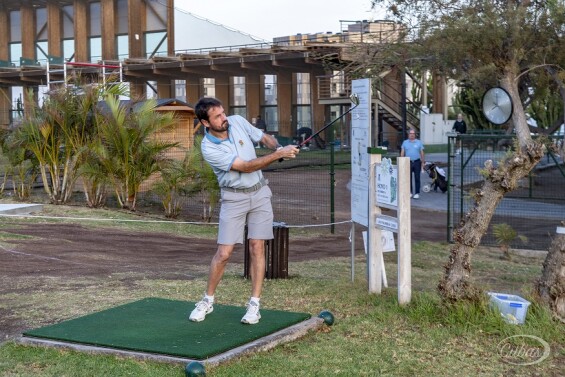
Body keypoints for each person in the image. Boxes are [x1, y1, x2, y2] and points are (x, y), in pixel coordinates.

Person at [189, 97, 299, 325]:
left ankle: (254, 305)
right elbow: (247, 166)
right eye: (217, 116)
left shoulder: (237, 121)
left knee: (257, 247)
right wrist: (279, 155)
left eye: (223, 112)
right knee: (224, 253)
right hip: (233, 198)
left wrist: (277, 146)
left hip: (260, 193)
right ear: (206, 123)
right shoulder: (208, 147)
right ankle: (207, 300)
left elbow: (263, 137)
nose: (224, 118)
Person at [400, 129, 425, 199]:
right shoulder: (405, 142)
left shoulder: (419, 142)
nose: (412, 135)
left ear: (415, 134)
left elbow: (422, 153)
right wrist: (401, 161)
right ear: (408, 134)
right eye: (410, 133)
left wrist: (423, 162)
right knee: (408, 178)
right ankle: (410, 192)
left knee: (417, 178)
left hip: (417, 162)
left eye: (413, 133)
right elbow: (402, 152)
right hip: (408, 162)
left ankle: (417, 193)